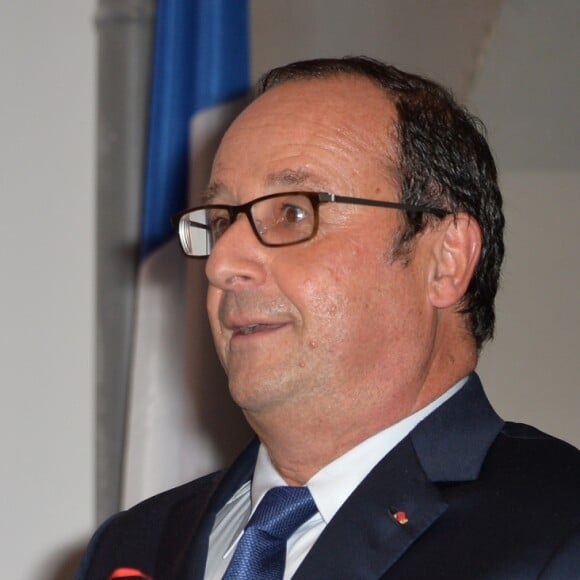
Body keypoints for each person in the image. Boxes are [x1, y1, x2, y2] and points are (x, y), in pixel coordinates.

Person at [76, 57, 580, 580]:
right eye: (222, 221)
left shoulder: (560, 534)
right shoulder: (131, 547)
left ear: (445, 259)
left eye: (293, 212)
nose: (223, 263)